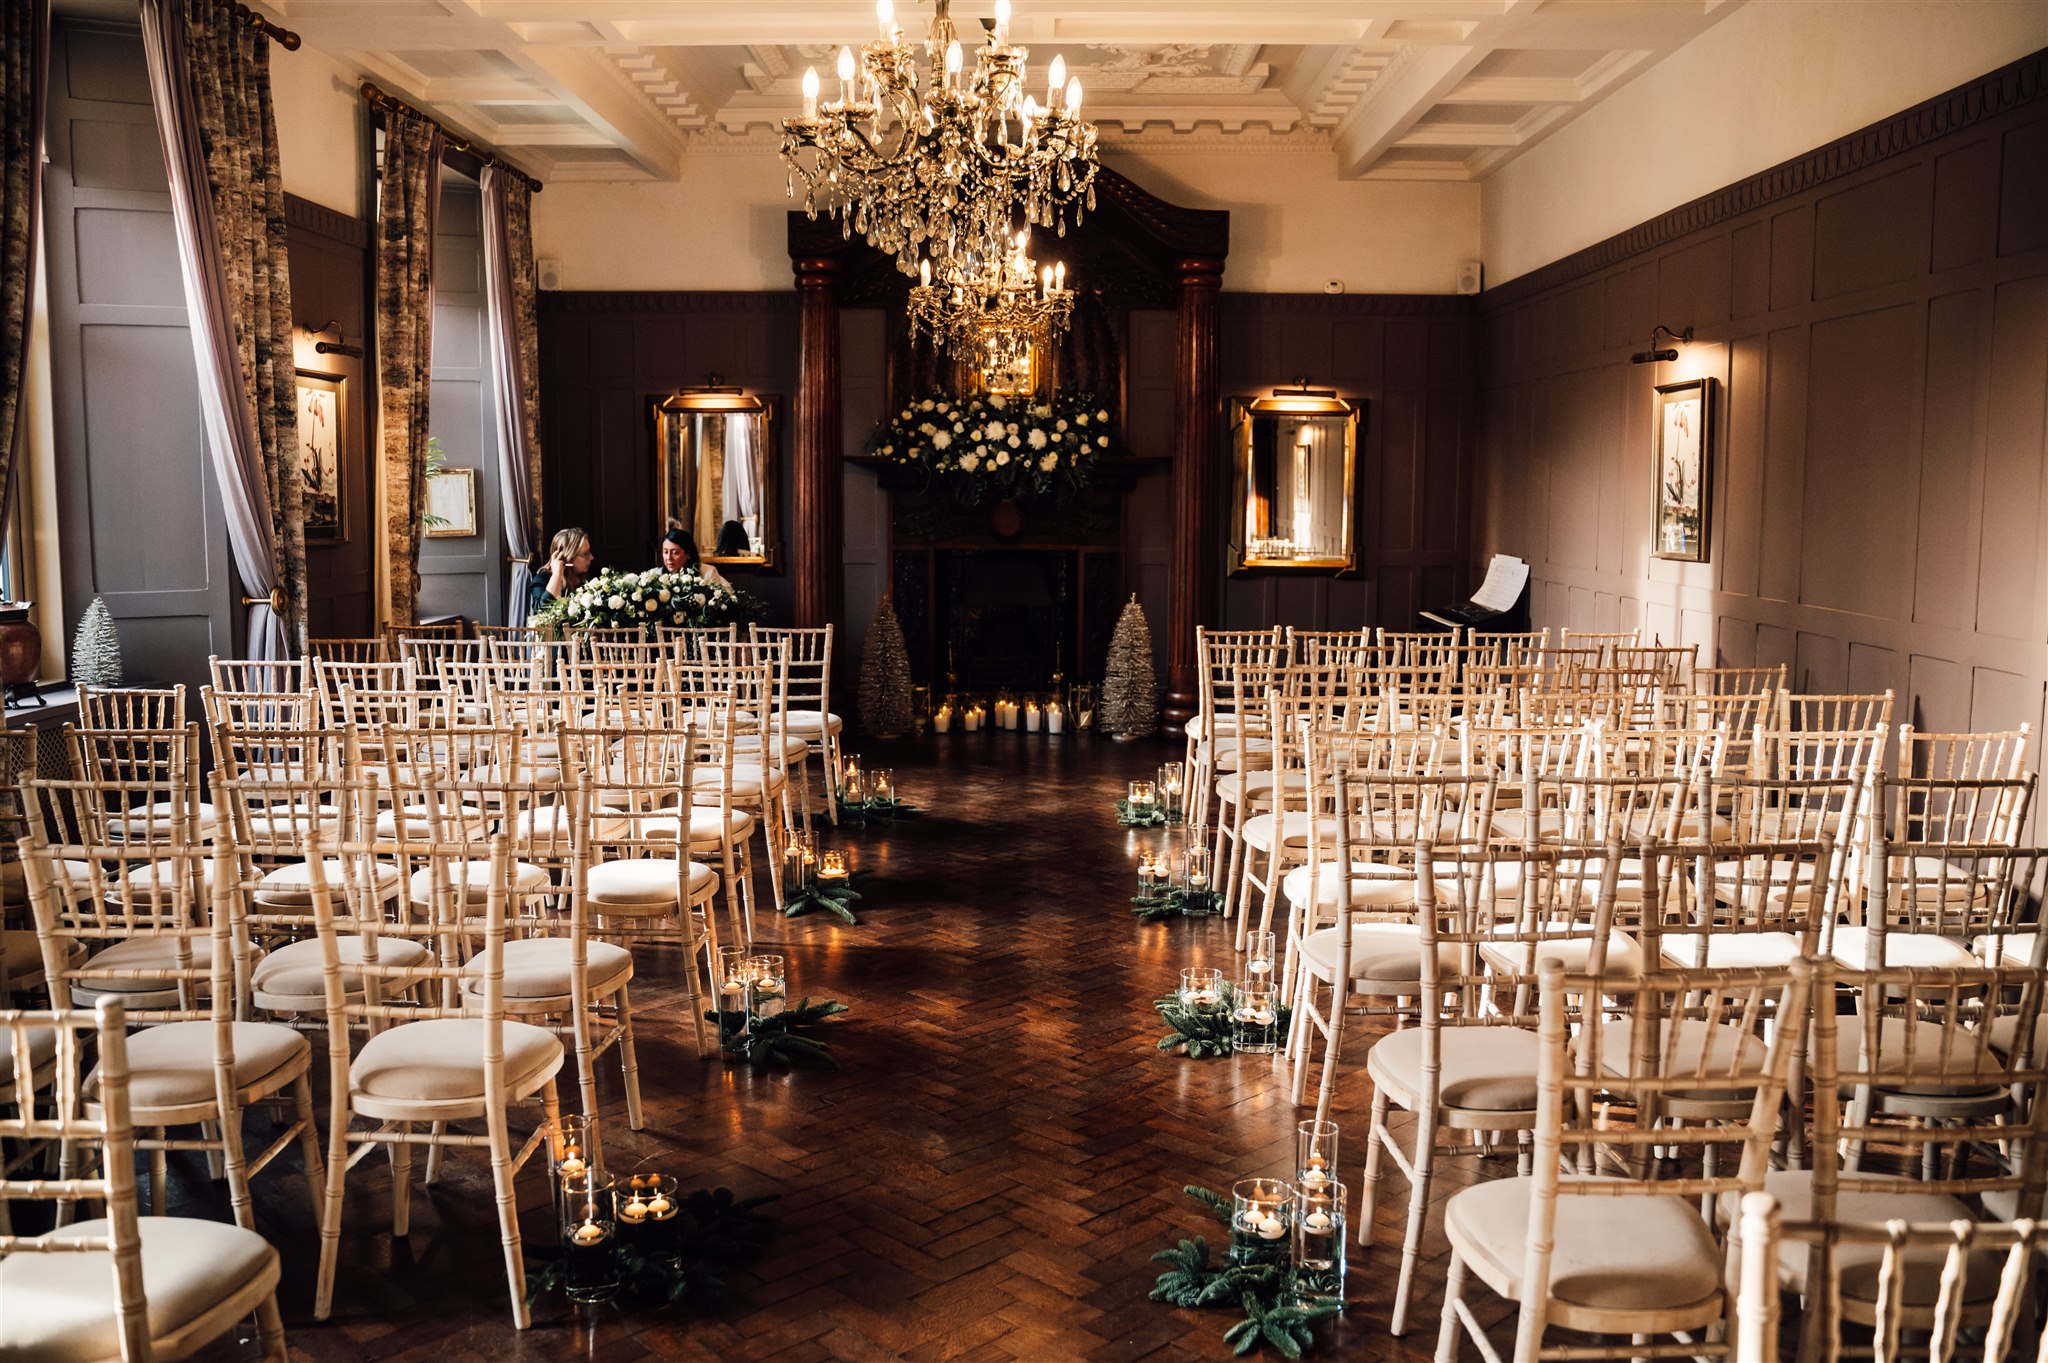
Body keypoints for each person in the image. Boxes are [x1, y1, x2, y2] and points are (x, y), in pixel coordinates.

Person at [529, 526, 593, 620]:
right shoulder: (541, 579)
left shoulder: (586, 579)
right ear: (566, 557)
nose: (591, 557)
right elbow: (543, 611)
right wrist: (557, 575)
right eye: (585, 554)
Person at [660, 526, 729, 587]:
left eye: (675, 553)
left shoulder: (708, 573)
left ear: (688, 554)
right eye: (665, 552)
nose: (669, 558)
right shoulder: (653, 575)